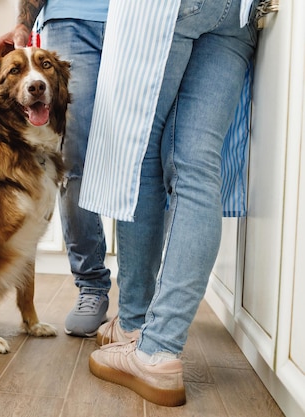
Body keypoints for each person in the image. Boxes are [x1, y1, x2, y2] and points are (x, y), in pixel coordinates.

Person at [78, 0, 260, 407]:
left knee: (138, 149)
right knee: (197, 167)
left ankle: (134, 326)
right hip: (238, 12)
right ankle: (159, 350)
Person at [0, 0, 112, 338]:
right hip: (71, 19)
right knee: (73, 159)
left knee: (144, 158)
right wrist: (23, 28)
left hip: (141, 19)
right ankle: (92, 286)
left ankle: (139, 297)